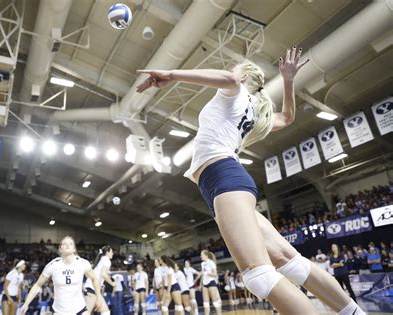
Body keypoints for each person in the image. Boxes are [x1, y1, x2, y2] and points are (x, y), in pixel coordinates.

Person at [136, 46, 365, 315]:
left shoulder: (236, 92)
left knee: (259, 276)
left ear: (244, 78)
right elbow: (287, 117)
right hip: (228, 179)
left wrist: (171, 74)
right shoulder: (254, 110)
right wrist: (288, 81)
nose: (231, 74)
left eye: (235, 71)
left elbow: (231, 80)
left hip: (223, 178)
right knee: (292, 263)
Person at [19, 236, 102, 315]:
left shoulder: (82, 263)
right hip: (60, 311)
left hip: (80, 309)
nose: (67, 245)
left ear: (74, 249)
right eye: (64, 243)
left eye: (70, 243)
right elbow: (37, 285)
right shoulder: (53, 265)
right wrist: (26, 303)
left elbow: (94, 278)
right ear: (60, 249)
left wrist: (99, 297)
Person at [84, 245, 116, 315]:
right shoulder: (107, 260)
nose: (113, 253)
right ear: (107, 252)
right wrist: (112, 283)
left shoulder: (101, 259)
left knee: (106, 312)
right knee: (87, 312)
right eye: (111, 251)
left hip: (92, 288)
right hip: (92, 288)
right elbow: (103, 274)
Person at [199, 250, 221, 315]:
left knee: (215, 303)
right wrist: (200, 284)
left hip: (211, 283)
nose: (201, 256)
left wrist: (206, 273)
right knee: (205, 304)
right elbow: (203, 275)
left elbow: (215, 274)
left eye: (202, 255)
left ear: (206, 255)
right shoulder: (202, 264)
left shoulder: (211, 263)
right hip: (204, 284)